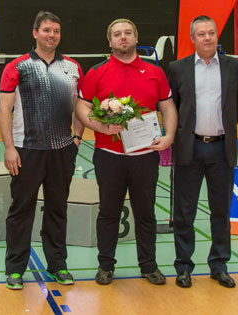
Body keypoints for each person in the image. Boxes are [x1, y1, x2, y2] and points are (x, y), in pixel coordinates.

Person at [75, 18, 177, 285]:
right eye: (117, 34)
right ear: (110, 41)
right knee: (108, 212)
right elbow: (81, 107)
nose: (123, 37)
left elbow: (167, 106)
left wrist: (169, 136)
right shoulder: (97, 72)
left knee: (146, 213)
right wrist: (100, 127)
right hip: (109, 157)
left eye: (128, 33)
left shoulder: (155, 72)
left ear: (135, 37)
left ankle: (148, 266)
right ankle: (105, 266)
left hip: (145, 156)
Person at [0, 11, 84, 290]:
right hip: (27, 150)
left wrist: (77, 139)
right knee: (21, 209)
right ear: (35, 33)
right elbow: (4, 109)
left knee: (58, 209)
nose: (52, 35)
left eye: (56, 31)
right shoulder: (17, 67)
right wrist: (9, 148)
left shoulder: (73, 67)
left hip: (62, 150)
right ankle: (15, 269)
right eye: (47, 30)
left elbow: (80, 107)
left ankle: (58, 265)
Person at [167, 15, 238, 289]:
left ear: (216, 35)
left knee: (221, 212)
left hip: (222, 149)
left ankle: (219, 264)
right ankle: (184, 267)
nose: (207, 38)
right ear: (193, 38)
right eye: (201, 34)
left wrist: (221, 131)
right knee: (184, 212)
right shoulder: (177, 68)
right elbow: (172, 108)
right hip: (189, 149)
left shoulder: (234, 67)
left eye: (211, 32)